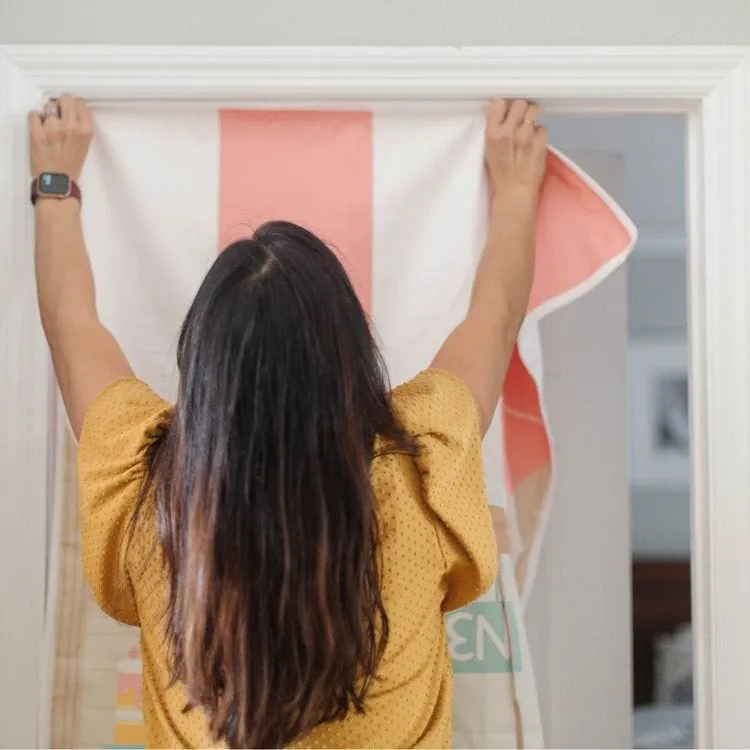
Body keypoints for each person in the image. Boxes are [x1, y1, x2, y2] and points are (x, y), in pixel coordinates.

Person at [29, 95, 546, 749]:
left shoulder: (149, 493)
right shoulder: (421, 469)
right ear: (349, 357)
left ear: (206, 374)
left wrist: (56, 187)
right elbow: (495, 317)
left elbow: (71, 324)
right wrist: (517, 188)